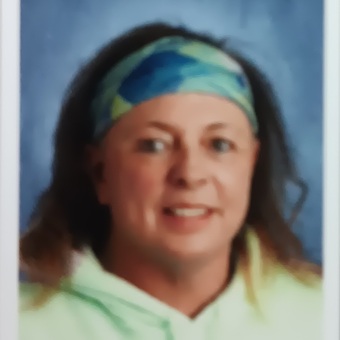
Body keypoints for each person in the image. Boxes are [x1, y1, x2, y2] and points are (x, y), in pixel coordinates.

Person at [19, 22, 322, 340]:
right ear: (100, 172)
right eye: (154, 145)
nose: (190, 175)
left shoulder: (321, 316)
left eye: (219, 144)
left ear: (252, 163)